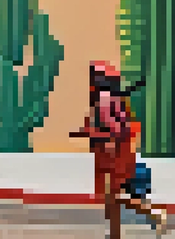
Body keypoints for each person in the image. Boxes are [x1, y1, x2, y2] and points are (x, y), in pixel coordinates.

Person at [72, 61, 169, 237]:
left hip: (111, 156)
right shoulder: (114, 100)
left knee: (115, 197)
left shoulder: (104, 101)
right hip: (116, 155)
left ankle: (154, 213)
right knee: (111, 200)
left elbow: (115, 131)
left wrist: (90, 134)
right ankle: (115, 234)